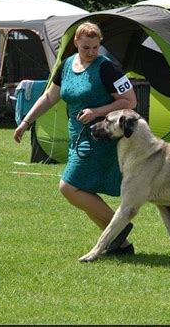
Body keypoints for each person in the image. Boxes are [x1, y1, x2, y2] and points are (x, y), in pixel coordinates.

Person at [13, 21, 138, 258]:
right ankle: (121, 245)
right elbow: (49, 98)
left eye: (95, 47)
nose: (91, 52)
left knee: (69, 187)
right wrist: (26, 122)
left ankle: (118, 226)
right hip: (76, 137)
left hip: (100, 137)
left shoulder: (107, 68)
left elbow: (130, 101)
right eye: (86, 48)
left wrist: (97, 111)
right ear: (76, 44)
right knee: (84, 191)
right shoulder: (67, 65)